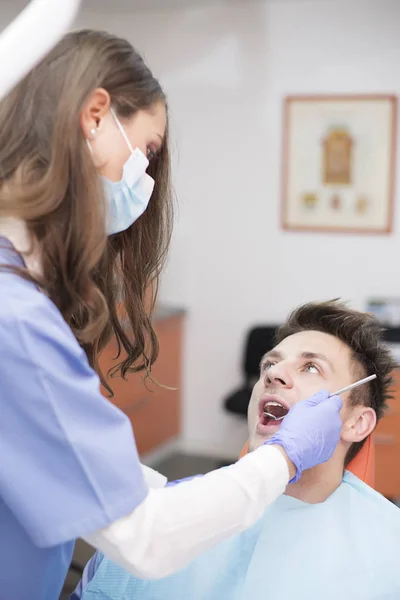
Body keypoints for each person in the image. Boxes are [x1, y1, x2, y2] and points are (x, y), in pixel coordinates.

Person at [0, 30, 344, 600]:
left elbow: (72, 467)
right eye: (149, 150)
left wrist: (195, 491)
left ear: (357, 419)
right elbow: (145, 535)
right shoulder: (16, 319)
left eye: (313, 368)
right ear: (95, 116)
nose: (147, 178)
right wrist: (281, 458)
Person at [75, 300, 400, 600]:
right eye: (269, 364)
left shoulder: (388, 545)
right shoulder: (175, 510)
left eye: (311, 368)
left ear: (357, 423)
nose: (272, 374)